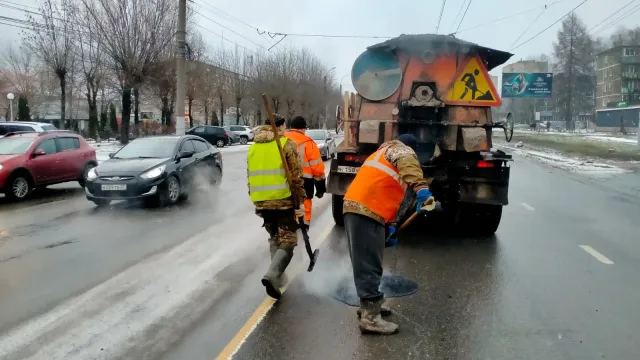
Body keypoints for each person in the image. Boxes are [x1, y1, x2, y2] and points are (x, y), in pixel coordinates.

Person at [342, 134, 432, 335]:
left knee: (367, 260)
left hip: (361, 208)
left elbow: (386, 190)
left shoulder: (382, 153)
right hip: (367, 209)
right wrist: (422, 190)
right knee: (368, 264)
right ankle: (371, 318)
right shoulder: (401, 150)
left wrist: (390, 225)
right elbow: (409, 164)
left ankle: (370, 305)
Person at [247, 114, 306, 300]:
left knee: (274, 237)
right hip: (282, 200)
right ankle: (273, 275)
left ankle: (278, 277)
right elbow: (296, 177)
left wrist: (258, 200)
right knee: (289, 240)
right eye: (284, 126)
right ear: (280, 127)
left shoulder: (253, 148)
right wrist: (301, 202)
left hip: (261, 201)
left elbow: (249, 175)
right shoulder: (286, 145)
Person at [285, 116, 326, 228]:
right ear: (303, 129)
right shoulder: (308, 143)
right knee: (305, 202)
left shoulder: (281, 140)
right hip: (304, 181)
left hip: (284, 179)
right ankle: (303, 225)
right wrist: (321, 187)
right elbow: (317, 168)